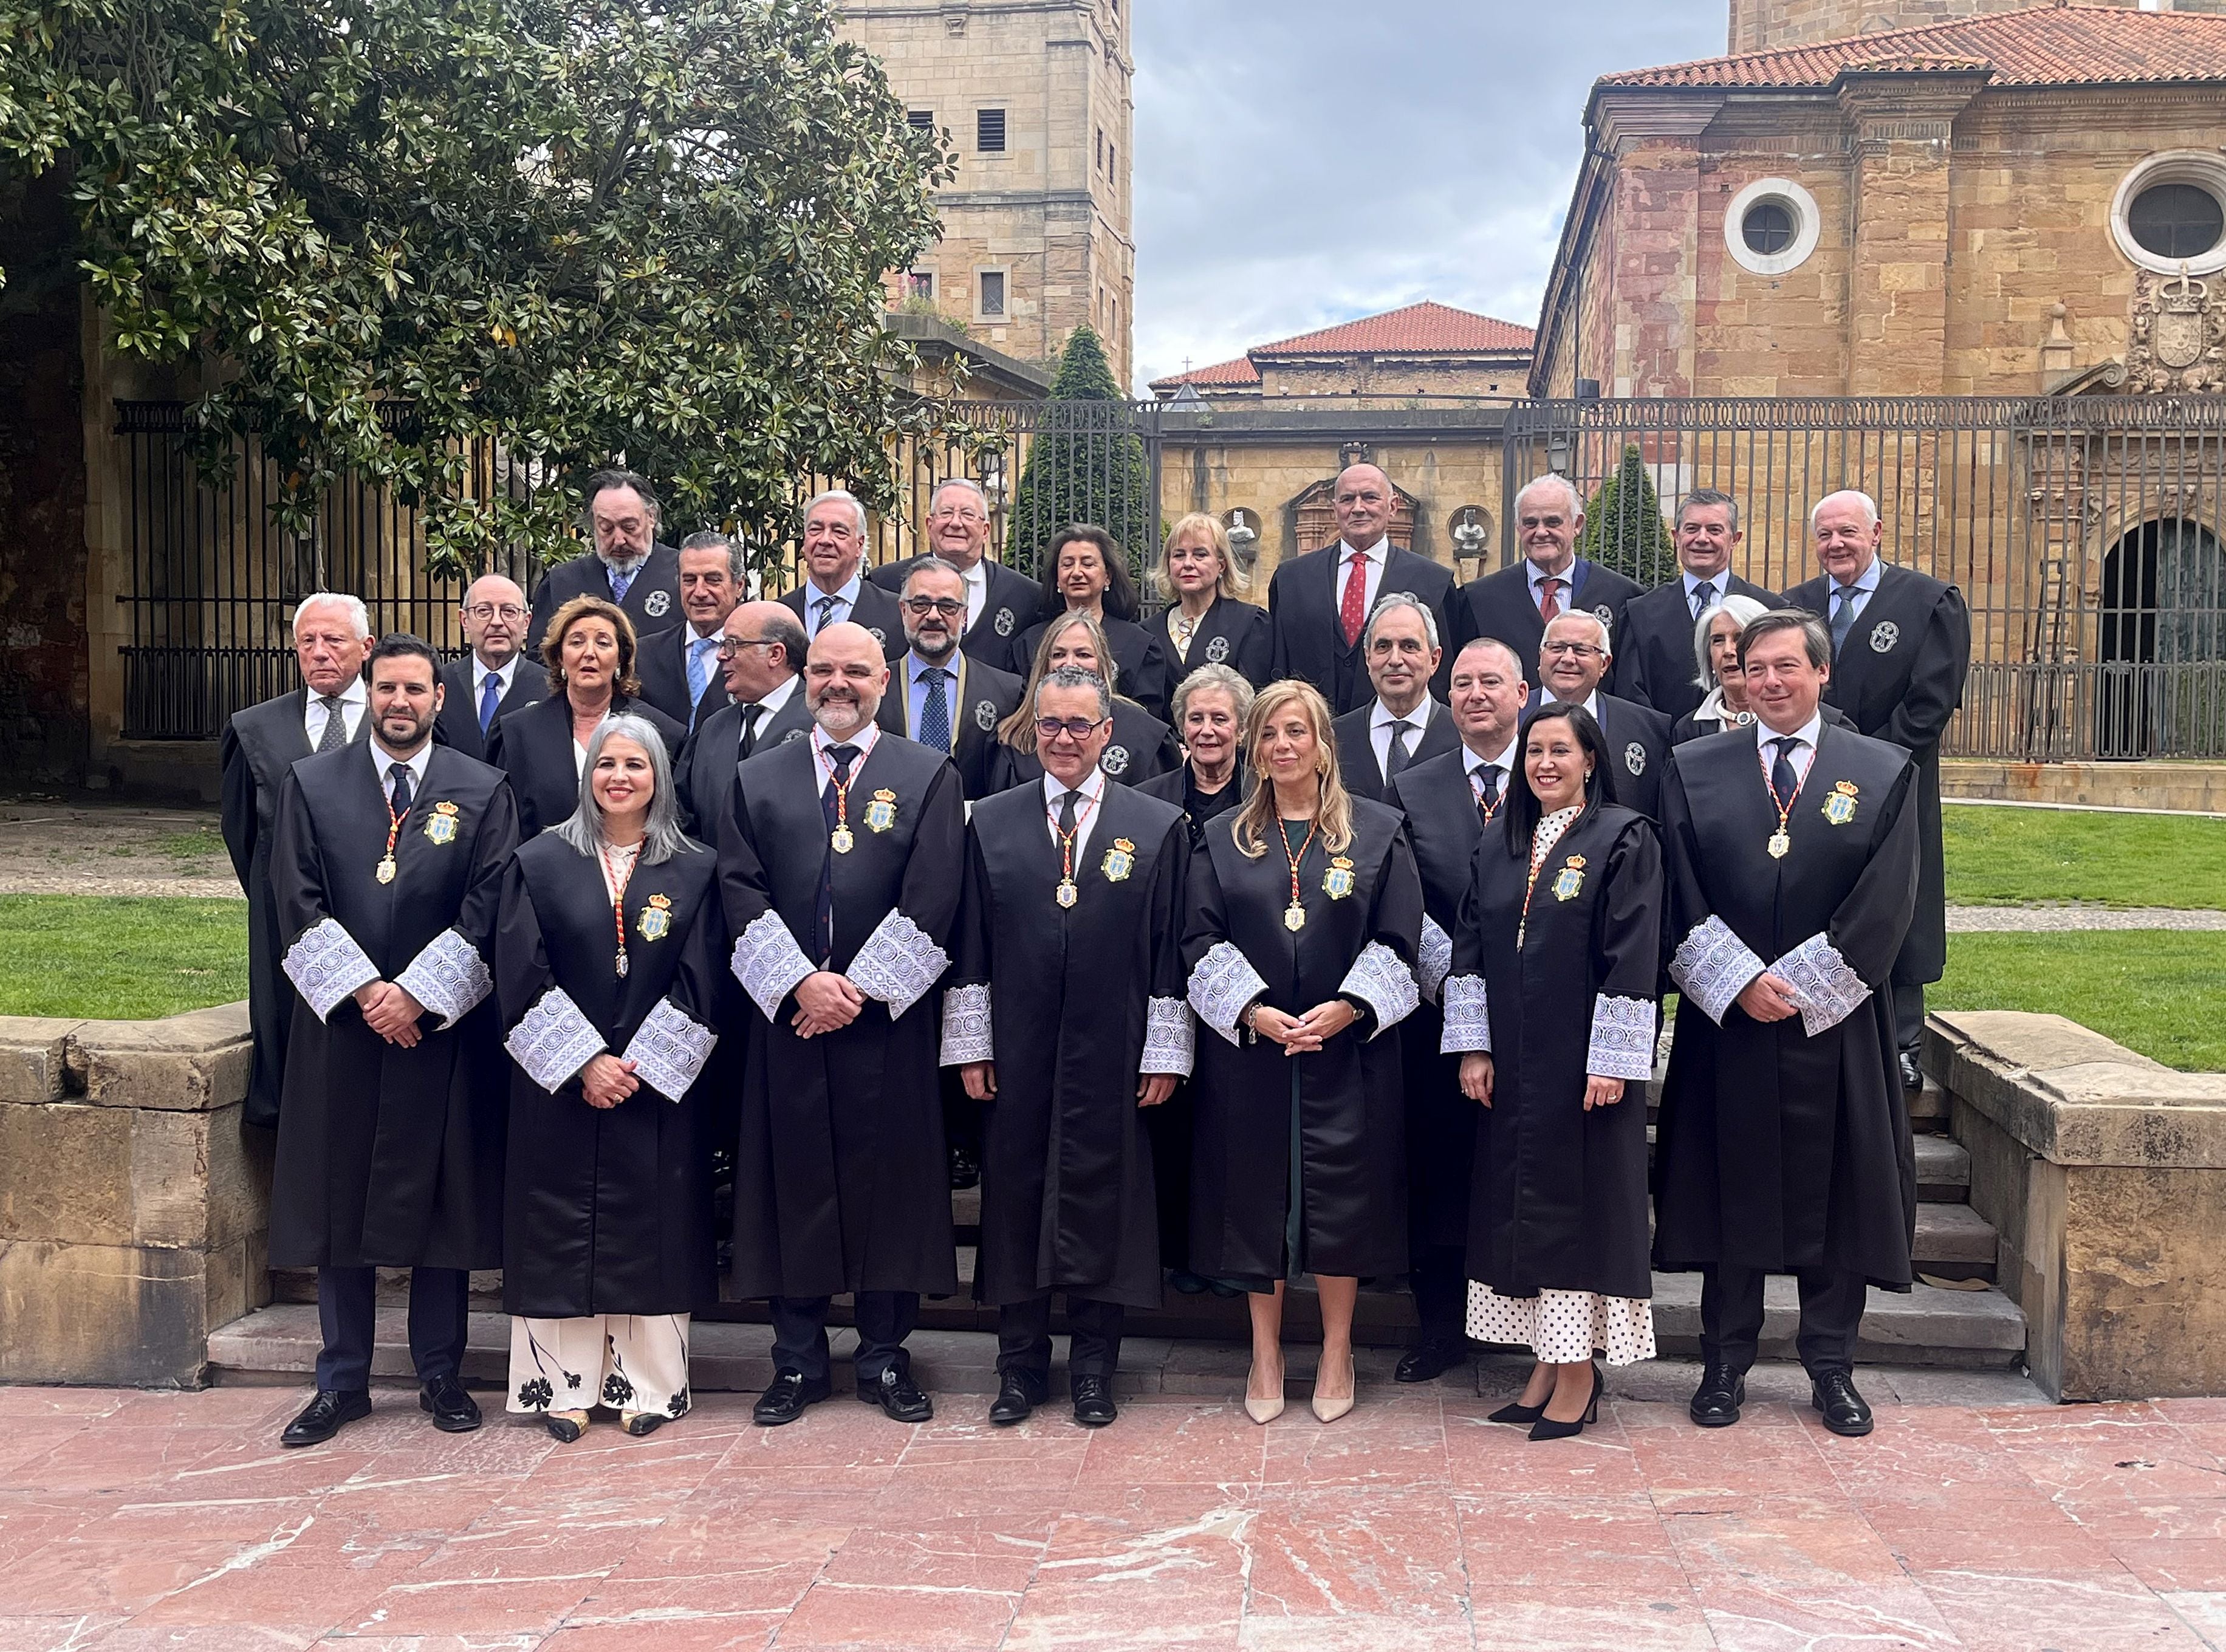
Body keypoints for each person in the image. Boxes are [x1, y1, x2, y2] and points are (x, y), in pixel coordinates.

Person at [1654, 610, 1922, 1439]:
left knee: (1836, 1197)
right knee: (1727, 1189)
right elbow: (1677, 884)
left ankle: (1831, 1365)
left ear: (1822, 672)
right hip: (1729, 1025)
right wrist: (1737, 981)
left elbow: (1888, 897)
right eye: (1754, 667)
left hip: (1834, 1026)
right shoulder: (1694, 768)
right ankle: (1724, 1362)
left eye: (1786, 666)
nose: (1769, 681)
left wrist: (1804, 986)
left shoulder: (1880, 770)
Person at [265, 634, 519, 1447]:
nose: (400, 702)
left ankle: (441, 1371)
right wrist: (366, 993)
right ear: (367, 693)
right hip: (342, 1031)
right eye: (386, 688)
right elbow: (294, 895)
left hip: (437, 1033)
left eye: (415, 689)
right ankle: (342, 1379)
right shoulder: (313, 782)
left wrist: (417, 995)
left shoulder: (480, 788)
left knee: (442, 1204)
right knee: (339, 1202)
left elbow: (490, 902)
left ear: (440, 698)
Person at [718, 622, 965, 1427]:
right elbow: (739, 888)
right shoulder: (757, 777)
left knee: (892, 1192)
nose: (838, 683)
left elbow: (935, 893)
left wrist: (855, 990)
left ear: (884, 680)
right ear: (803, 676)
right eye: (823, 668)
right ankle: (797, 1360)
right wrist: (801, 984)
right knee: (790, 1186)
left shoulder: (928, 774)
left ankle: (886, 1357)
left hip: (885, 1025)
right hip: (790, 1022)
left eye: (855, 670)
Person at [942, 666, 1193, 1428]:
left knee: (1103, 1199)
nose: (1063, 738)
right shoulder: (990, 821)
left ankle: (1092, 1369)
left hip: (1113, 1047)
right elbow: (969, 939)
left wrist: (1164, 1051)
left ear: (1106, 733)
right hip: (1016, 1046)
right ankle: (1018, 1367)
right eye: (1050, 723)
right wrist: (972, 1045)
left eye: (1080, 724)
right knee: (1015, 1200)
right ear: (1032, 731)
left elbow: (1171, 947)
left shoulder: (1155, 826)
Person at [1183, 680, 1425, 1426]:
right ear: (1253, 750)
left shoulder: (1378, 832)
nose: (1282, 745)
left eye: (1296, 731)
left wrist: (1349, 1007)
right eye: (1268, 734)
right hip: (1253, 1054)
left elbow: (1400, 938)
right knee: (1258, 1199)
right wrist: (1253, 1010)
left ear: (1323, 745)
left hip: (1345, 1053)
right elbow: (1198, 938)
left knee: (1341, 1199)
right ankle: (1264, 1351)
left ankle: (1337, 1347)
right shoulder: (1221, 837)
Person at [491, 716, 724, 1442]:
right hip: (561, 1088)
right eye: (606, 764)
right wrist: (583, 1063)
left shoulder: (696, 869)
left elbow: (704, 977)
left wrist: (639, 1066)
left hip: (656, 1090)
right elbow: (520, 970)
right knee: (557, 1229)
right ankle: (559, 1388)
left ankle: (650, 1386)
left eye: (635, 764)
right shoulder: (539, 862)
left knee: (654, 1227)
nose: (619, 777)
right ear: (586, 774)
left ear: (660, 777)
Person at [1440, 703, 1663, 1441]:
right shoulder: (1500, 842)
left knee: (1579, 1213)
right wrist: (1474, 1047)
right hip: (1512, 1066)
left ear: (1589, 759)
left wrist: (1612, 1061)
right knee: (1520, 1209)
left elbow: (1633, 954)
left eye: (1560, 750)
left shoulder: (1623, 838)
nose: (1544, 764)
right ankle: (1545, 1361)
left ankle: (1578, 1374)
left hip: (1583, 1069)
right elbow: (1469, 946)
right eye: (1533, 751)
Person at [1784, 490, 1971, 1091]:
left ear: (1877, 533)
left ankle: (1901, 1043)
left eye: (1848, 532)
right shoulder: (1793, 607)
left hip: (1896, 780)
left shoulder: (1929, 602)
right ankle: (1811, 1032)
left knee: (1896, 901)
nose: (1836, 544)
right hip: (1807, 782)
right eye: (1825, 535)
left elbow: (1931, 702)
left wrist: (1867, 766)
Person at [1381, 636, 1530, 1383]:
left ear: (1522, 694)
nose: (1475, 695)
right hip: (1436, 1021)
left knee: (1525, 1171)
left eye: (1491, 682)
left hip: (1540, 1020)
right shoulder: (1413, 787)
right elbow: (1403, 902)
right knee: (1437, 1172)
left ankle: (1537, 1324)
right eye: (1464, 682)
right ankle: (1440, 1327)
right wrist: (1468, 991)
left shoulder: (1552, 774)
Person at [221, 592, 372, 1128]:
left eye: (333, 639)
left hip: (376, 910)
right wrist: (282, 893)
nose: (319, 652)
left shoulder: (396, 720)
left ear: (366, 647)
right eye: (307, 641)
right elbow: (242, 832)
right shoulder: (255, 729)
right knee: (290, 1039)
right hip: (283, 919)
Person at [1137, 662, 1255, 1298]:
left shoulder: (1264, 796)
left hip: (1241, 981)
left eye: (1220, 719)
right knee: (1173, 1119)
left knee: (1231, 1122)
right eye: (1196, 718)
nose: (1208, 730)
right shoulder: (1147, 799)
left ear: (1242, 727)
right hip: (1163, 979)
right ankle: (1175, 1251)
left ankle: (1229, 1256)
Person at [487, 596, 685, 838]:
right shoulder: (517, 733)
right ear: (560, 656)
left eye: (603, 643)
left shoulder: (662, 733)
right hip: (539, 860)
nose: (589, 653)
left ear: (621, 659)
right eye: (577, 642)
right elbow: (502, 827)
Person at [1267, 462, 1455, 715]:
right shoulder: (1291, 580)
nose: (1358, 508)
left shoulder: (1433, 581)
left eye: (1370, 497)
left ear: (1393, 506)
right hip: (1308, 728)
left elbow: (1442, 677)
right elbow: (1278, 668)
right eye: (1347, 499)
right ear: (1335, 509)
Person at [1447, 475, 1642, 696]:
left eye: (1553, 522)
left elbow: (1630, 687)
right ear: (1518, 527)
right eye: (1530, 523)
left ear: (1577, 524)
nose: (1541, 532)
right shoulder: (1479, 600)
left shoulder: (1621, 596)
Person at [1618, 490, 1779, 724]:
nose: (1702, 539)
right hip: (1667, 741)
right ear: (1676, 536)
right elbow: (1631, 695)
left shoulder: (1771, 610)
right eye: (1692, 529)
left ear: (1735, 539)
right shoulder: (1640, 613)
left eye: (1714, 530)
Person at [876, 557, 1024, 800]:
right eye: (921, 604)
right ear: (903, 611)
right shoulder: (873, 689)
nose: (934, 616)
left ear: (964, 615)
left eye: (948, 606)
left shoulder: (1007, 693)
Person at [988, 610, 1179, 791]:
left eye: (1083, 655)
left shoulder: (1145, 734)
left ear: (1102, 662)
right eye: (1059, 655)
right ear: (1045, 663)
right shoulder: (1013, 736)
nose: (1070, 664)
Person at [1005, 524, 1171, 724]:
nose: (1076, 572)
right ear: (1057, 579)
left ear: (1108, 576)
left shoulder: (1140, 645)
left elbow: (1148, 719)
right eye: (1067, 564)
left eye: (1088, 564)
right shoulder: (1029, 643)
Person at [868, 478, 1043, 665]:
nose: (956, 523)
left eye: (968, 514)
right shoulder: (883, 584)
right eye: (946, 513)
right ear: (929, 525)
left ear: (985, 530)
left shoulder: (1025, 596)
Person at [674, 602, 813, 831]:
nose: (720, 656)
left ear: (775, 654)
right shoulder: (713, 728)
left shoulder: (818, 724)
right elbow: (683, 813)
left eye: (732, 645)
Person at [1527, 612, 1671, 821]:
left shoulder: (1648, 729)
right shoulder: (1509, 717)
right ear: (1541, 655)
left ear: (1604, 663)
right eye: (1557, 648)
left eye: (1582, 650)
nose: (1568, 659)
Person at [524, 470, 682, 651]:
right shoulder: (562, 581)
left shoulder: (684, 575)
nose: (619, 540)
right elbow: (539, 654)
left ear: (651, 517)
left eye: (629, 527)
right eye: (607, 528)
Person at [1330, 595, 1459, 804]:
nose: (1395, 660)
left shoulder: (1462, 735)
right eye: (1383, 646)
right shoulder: (1334, 738)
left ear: (1434, 660)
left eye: (1409, 646)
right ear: (1368, 658)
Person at [634, 532, 745, 731]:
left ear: (739, 586)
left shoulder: (756, 655)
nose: (700, 592)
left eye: (713, 580)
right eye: (690, 580)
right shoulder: (644, 655)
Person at [779, 489, 906, 660]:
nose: (825, 540)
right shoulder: (779, 614)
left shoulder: (897, 614)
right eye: (815, 530)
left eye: (839, 532)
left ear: (859, 545)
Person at [1152, 513, 1272, 688]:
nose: (1188, 563)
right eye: (1179, 555)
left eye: (1200, 555)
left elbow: (1258, 694)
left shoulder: (1250, 623)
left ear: (1221, 565)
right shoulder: (1150, 631)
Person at [436, 574, 545, 763]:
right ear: (465, 621)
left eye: (509, 611)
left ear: (526, 623)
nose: (496, 622)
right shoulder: (439, 684)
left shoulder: (549, 688)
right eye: (484, 611)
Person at [1671, 595, 1773, 744]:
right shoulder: (1688, 730)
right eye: (1718, 640)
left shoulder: (1791, 718)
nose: (1728, 651)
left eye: (1739, 638)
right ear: (1709, 657)